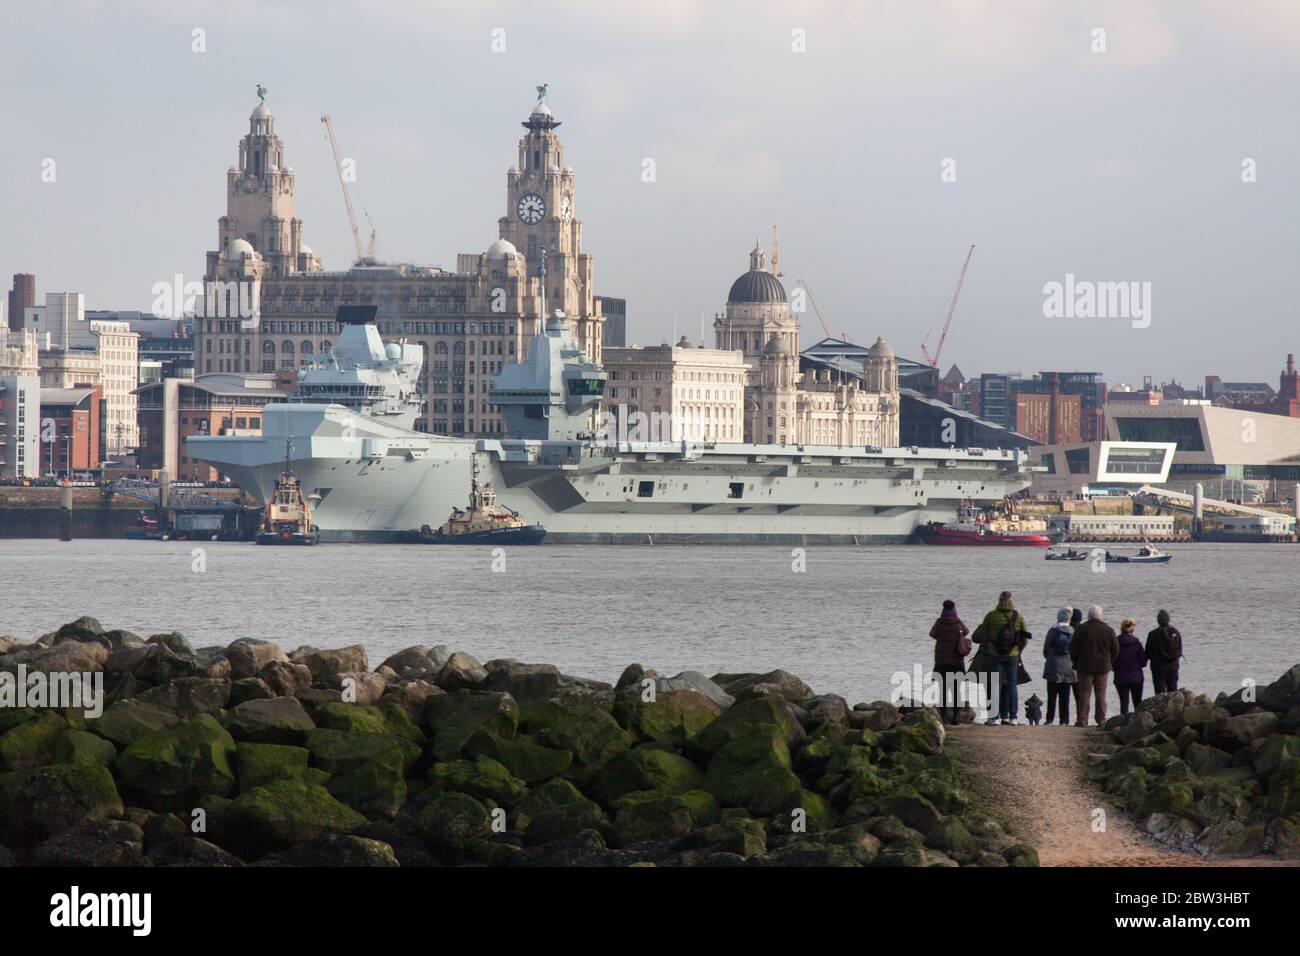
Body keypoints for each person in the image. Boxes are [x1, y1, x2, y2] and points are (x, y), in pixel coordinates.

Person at [973, 591, 1028, 725]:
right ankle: (1013, 717)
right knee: (1012, 685)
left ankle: (994, 717)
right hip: (1013, 656)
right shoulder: (1018, 616)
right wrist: (1018, 650)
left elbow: (982, 635)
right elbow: (1025, 638)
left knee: (995, 685)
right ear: (1011, 601)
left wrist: (990, 648)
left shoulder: (991, 616)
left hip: (995, 655)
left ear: (999, 600)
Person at [1069, 605, 1119, 727]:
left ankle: (1082, 720)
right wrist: (1110, 662)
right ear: (1100, 616)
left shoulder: (1081, 629)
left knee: (1084, 693)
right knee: (1101, 694)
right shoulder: (1108, 630)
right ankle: (1101, 720)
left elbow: (1073, 648)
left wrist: (1076, 662)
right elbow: (1116, 649)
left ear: (1088, 616)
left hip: (1085, 666)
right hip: (1103, 666)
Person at [929, 599, 969, 724]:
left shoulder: (940, 623)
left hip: (942, 662)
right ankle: (956, 717)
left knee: (943, 690)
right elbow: (967, 632)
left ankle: (944, 716)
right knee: (956, 690)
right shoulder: (958, 624)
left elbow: (932, 634)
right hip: (957, 662)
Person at [1042, 607, 1078, 725]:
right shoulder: (1073, 631)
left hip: (1054, 665)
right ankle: (1064, 720)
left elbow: (1046, 648)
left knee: (1051, 695)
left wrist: (1050, 658)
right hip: (1069, 666)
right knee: (1065, 695)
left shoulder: (1053, 630)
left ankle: (1049, 719)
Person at [1113, 618, 1148, 716]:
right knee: (1137, 703)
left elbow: (1112, 660)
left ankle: (1122, 723)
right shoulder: (1137, 643)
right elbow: (1143, 662)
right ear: (1132, 629)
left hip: (1120, 676)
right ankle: (1138, 723)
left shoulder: (1116, 643)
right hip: (1136, 676)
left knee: (1123, 703)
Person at [1145, 609, 1183, 694]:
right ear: (1168, 620)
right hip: (1173, 667)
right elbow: (1179, 651)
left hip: (1158, 668)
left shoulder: (1152, 634)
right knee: (1173, 692)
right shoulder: (1176, 633)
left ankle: (1160, 707)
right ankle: (1174, 707)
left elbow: (1148, 652)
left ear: (1158, 620)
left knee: (1159, 694)